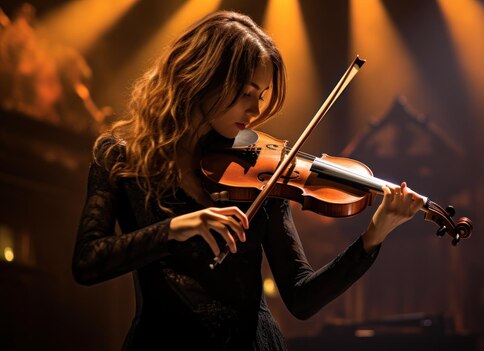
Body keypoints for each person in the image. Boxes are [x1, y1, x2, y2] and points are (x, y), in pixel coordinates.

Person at [72, 10, 424, 350]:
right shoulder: (120, 159)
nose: (255, 111)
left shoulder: (262, 173)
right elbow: (88, 262)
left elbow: (301, 297)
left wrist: (373, 236)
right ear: (203, 77)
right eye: (246, 93)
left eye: (261, 95)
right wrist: (174, 228)